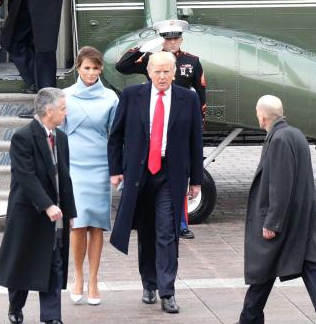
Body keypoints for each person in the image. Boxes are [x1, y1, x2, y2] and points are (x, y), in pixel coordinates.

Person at [108, 52, 203, 314]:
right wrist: (115, 170)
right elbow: (116, 136)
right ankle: (148, 283)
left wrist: (196, 179)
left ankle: (167, 290)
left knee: (166, 231)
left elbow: (196, 139)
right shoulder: (131, 96)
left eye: (166, 72)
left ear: (174, 73)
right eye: (157, 72)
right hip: (139, 174)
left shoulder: (188, 98)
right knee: (146, 231)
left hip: (170, 174)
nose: (162, 77)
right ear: (148, 72)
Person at [238, 95, 316, 324]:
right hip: (301, 218)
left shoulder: (280, 139)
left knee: (264, 271)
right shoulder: (295, 134)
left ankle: (248, 319)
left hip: (286, 221)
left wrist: (272, 222)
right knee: (308, 271)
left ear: (262, 115)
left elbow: (280, 184)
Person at [116, 18, 207, 239]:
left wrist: (198, 125)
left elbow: (201, 95)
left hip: (179, 124)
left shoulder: (192, 62)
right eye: (167, 38)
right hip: (154, 122)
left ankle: (182, 223)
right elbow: (122, 66)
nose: (172, 42)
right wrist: (143, 46)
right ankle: (149, 220)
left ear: (181, 39)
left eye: (175, 38)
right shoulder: (150, 59)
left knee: (180, 176)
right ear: (162, 40)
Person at [0, 88, 77, 324]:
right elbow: (25, 176)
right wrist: (47, 205)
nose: (66, 112)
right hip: (28, 212)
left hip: (55, 213)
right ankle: (15, 305)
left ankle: (51, 317)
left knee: (54, 262)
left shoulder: (61, 138)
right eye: (63, 108)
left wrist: (69, 210)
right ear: (49, 111)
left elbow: (65, 177)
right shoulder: (23, 137)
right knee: (23, 261)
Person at [61, 46, 118, 306]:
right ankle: (78, 277)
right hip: (74, 166)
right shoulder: (64, 96)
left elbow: (116, 137)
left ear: (101, 69)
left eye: (96, 68)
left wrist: (118, 170)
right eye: (87, 68)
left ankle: (94, 280)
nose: (91, 73)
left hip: (100, 165)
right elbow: (58, 135)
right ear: (78, 68)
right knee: (77, 223)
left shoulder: (111, 98)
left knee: (97, 225)